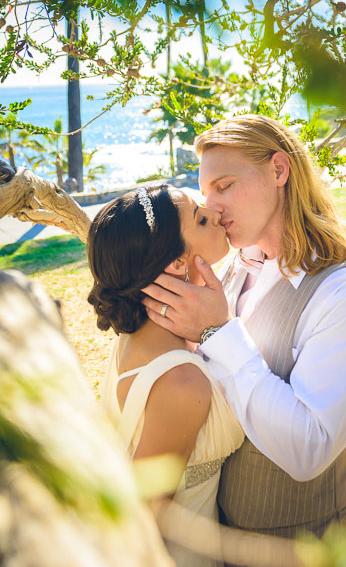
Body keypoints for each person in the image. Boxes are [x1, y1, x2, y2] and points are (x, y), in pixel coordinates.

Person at [142, 114, 346, 542]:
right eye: (206, 191)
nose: (211, 206)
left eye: (225, 186)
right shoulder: (232, 266)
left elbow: (308, 450)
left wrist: (217, 332)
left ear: (278, 170)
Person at [88, 184, 245, 567]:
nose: (215, 213)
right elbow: (142, 520)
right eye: (201, 218)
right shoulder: (179, 382)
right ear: (176, 264)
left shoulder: (135, 333)